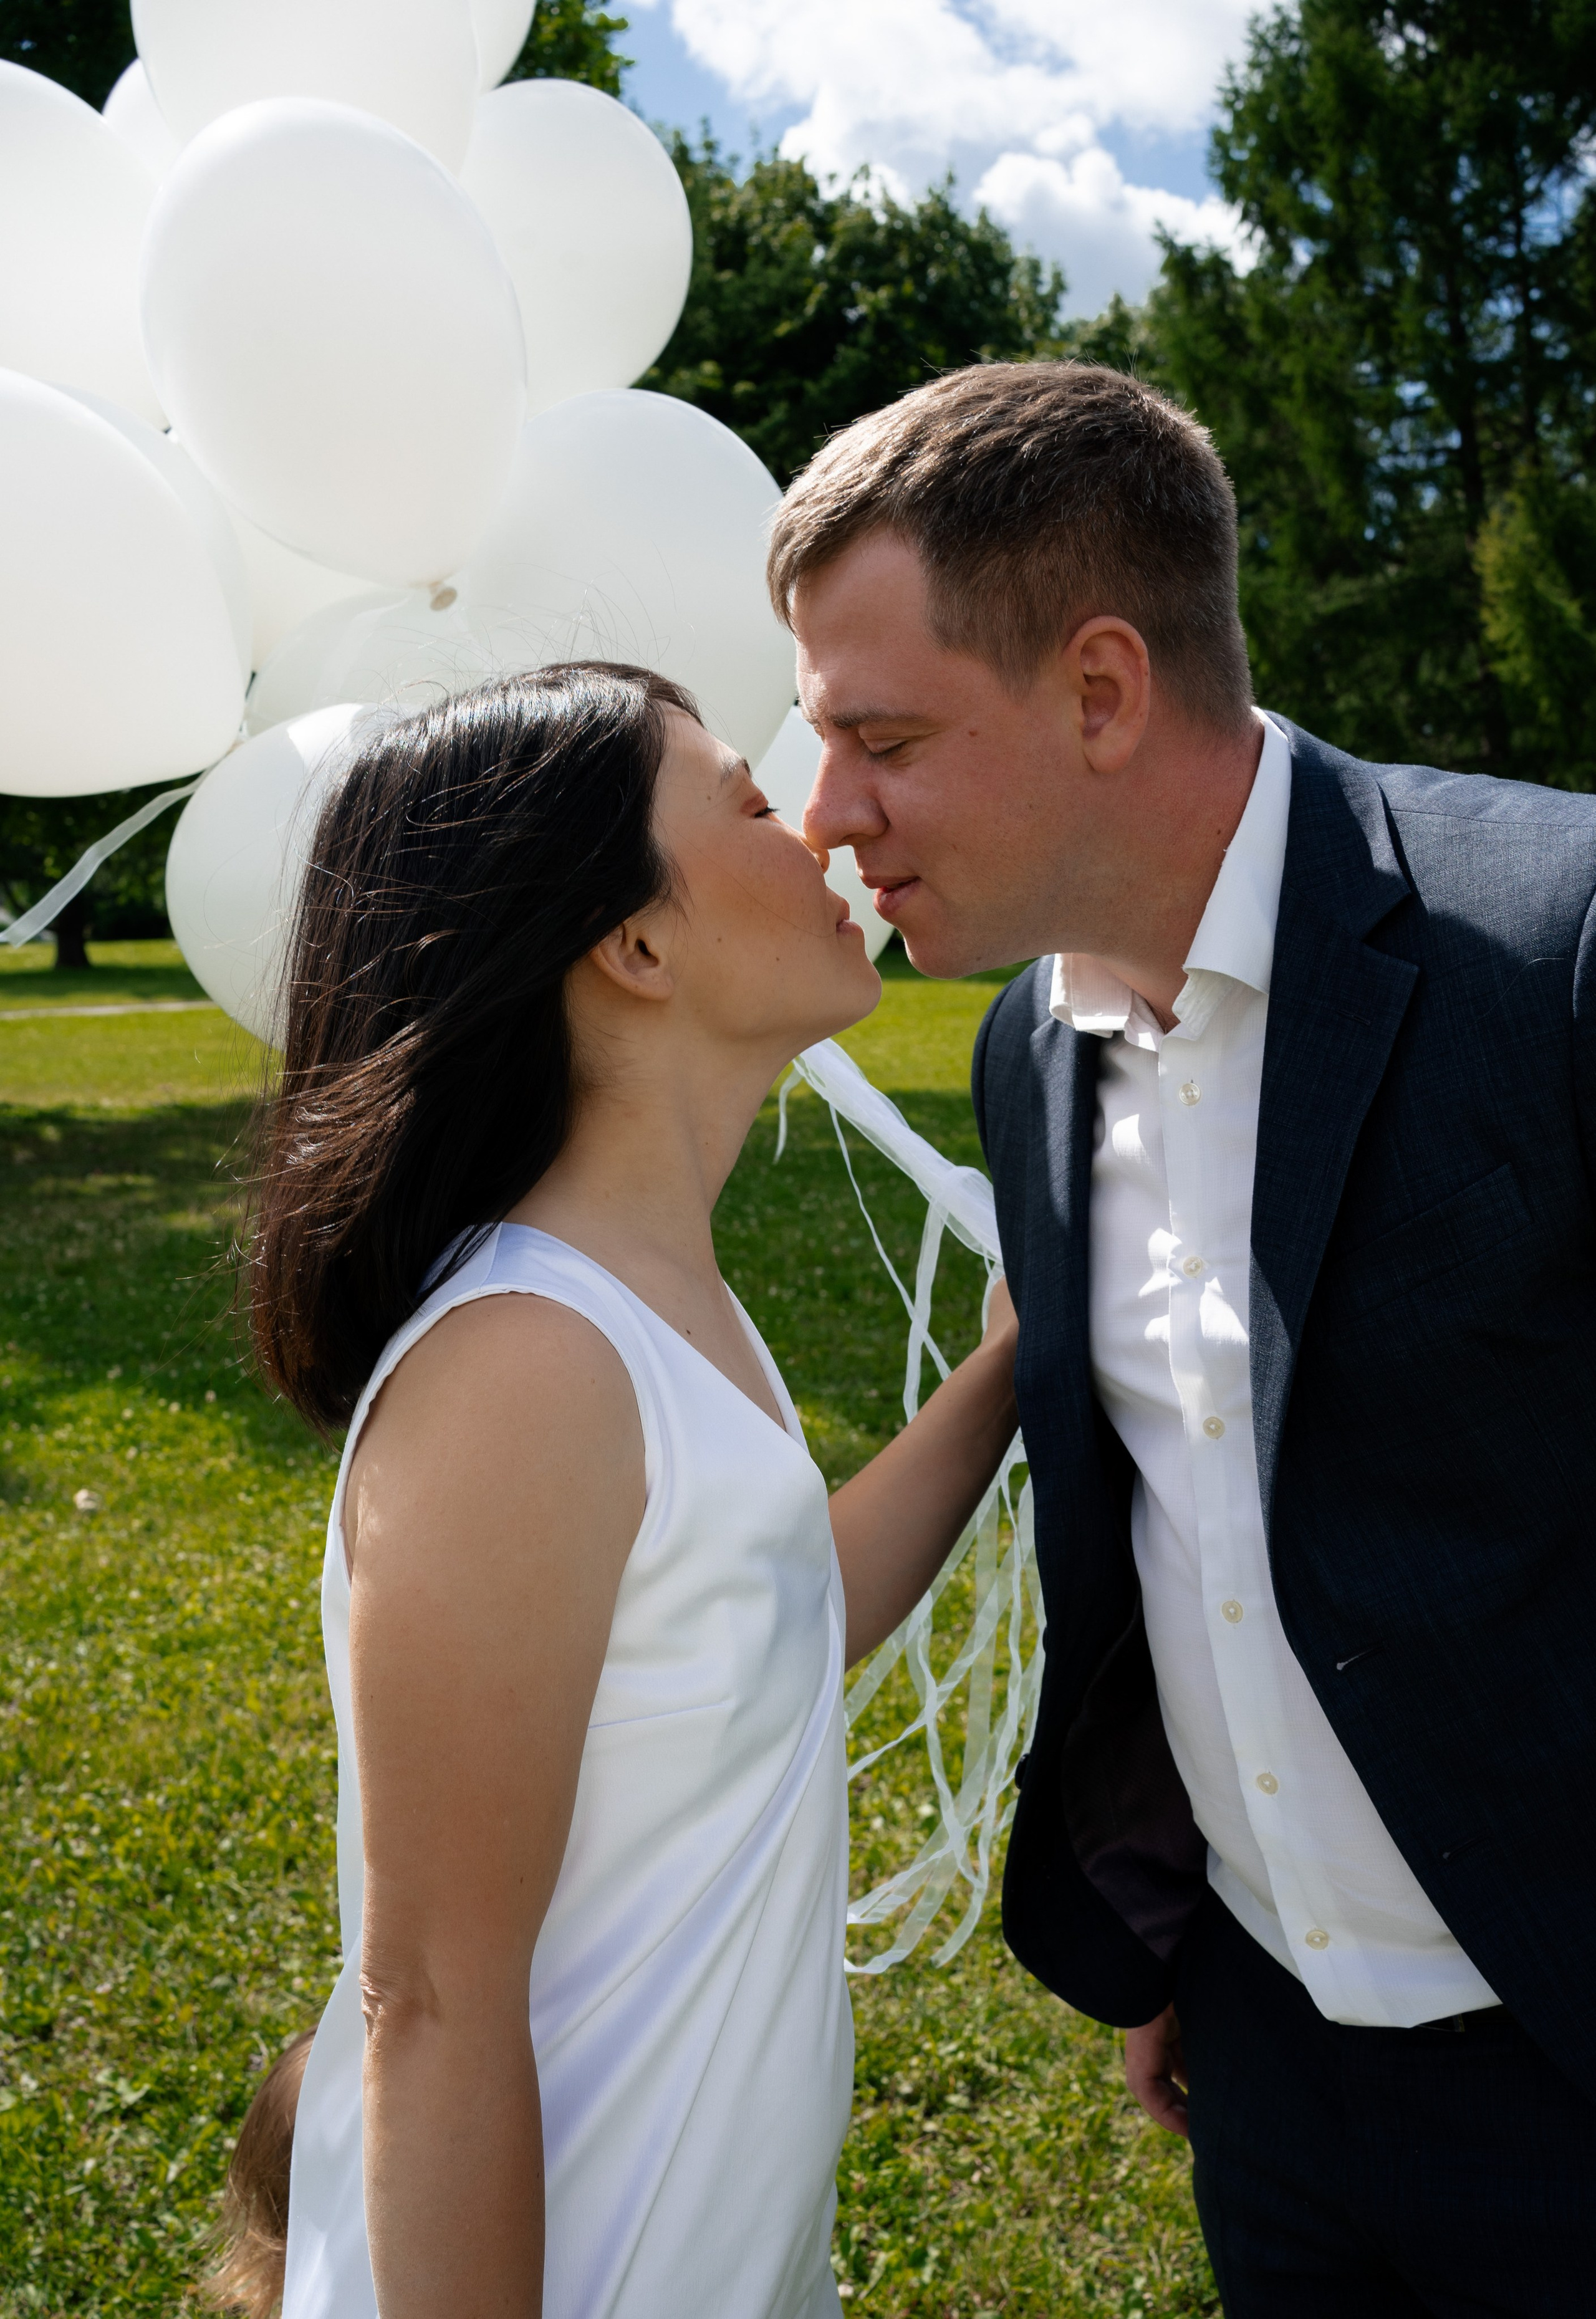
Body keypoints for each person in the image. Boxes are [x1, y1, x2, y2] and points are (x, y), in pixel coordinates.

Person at [771, 362, 1596, 2317]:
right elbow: (1165, 1515)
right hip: (1265, 2061)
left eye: (880, 737)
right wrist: (1215, 1937)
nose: (824, 814)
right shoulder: (1020, 1046)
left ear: (1103, 691)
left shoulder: (1556, 940)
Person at [233, 663, 1020, 2319]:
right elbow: (433, 1999)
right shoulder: (528, 1361)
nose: (811, 821)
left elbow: (758, 1614)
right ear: (634, 946)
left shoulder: (654, 1306)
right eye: (745, 799)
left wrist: (1009, 1371)